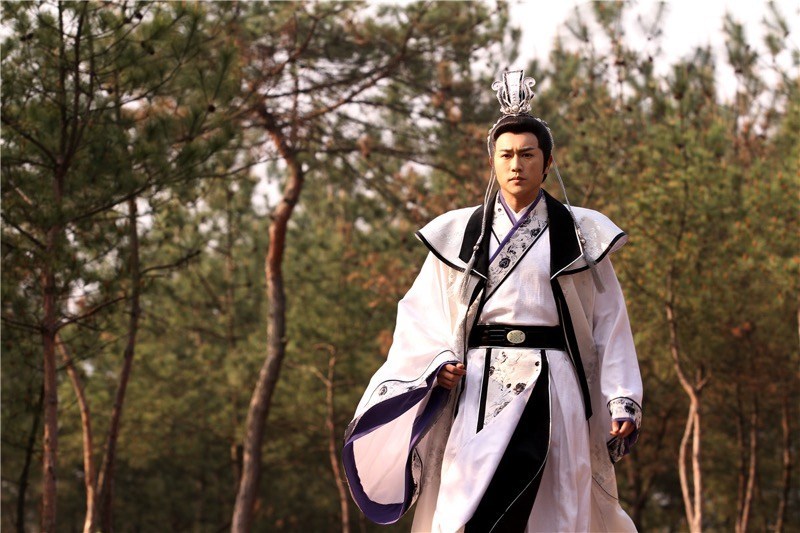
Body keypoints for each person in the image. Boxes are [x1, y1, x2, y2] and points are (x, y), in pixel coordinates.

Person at [342, 70, 643, 532]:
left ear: (547, 161)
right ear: (493, 162)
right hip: (479, 381)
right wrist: (437, 363)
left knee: (552, 497)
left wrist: (621, 396)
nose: (516, 164)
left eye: (527, 154)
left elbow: (610, 320)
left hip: (554, 381)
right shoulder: (459, 234)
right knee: (474, 498)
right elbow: (423, 315)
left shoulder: (580, 234)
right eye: (506, 155)